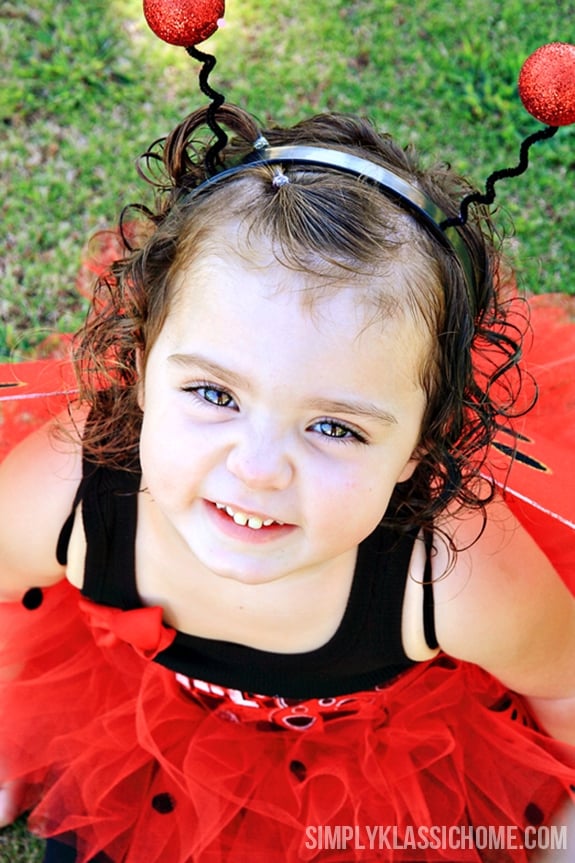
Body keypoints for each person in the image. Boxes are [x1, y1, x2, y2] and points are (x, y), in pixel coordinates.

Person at [0, 103, 573, 863]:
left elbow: (563, 685)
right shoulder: (65, 495)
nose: (258, 468)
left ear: (420, 444)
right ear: (140, 366)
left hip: (379, 771)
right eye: (213, 394)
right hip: (138, 721)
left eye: (335, 427)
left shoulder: (454, 575)